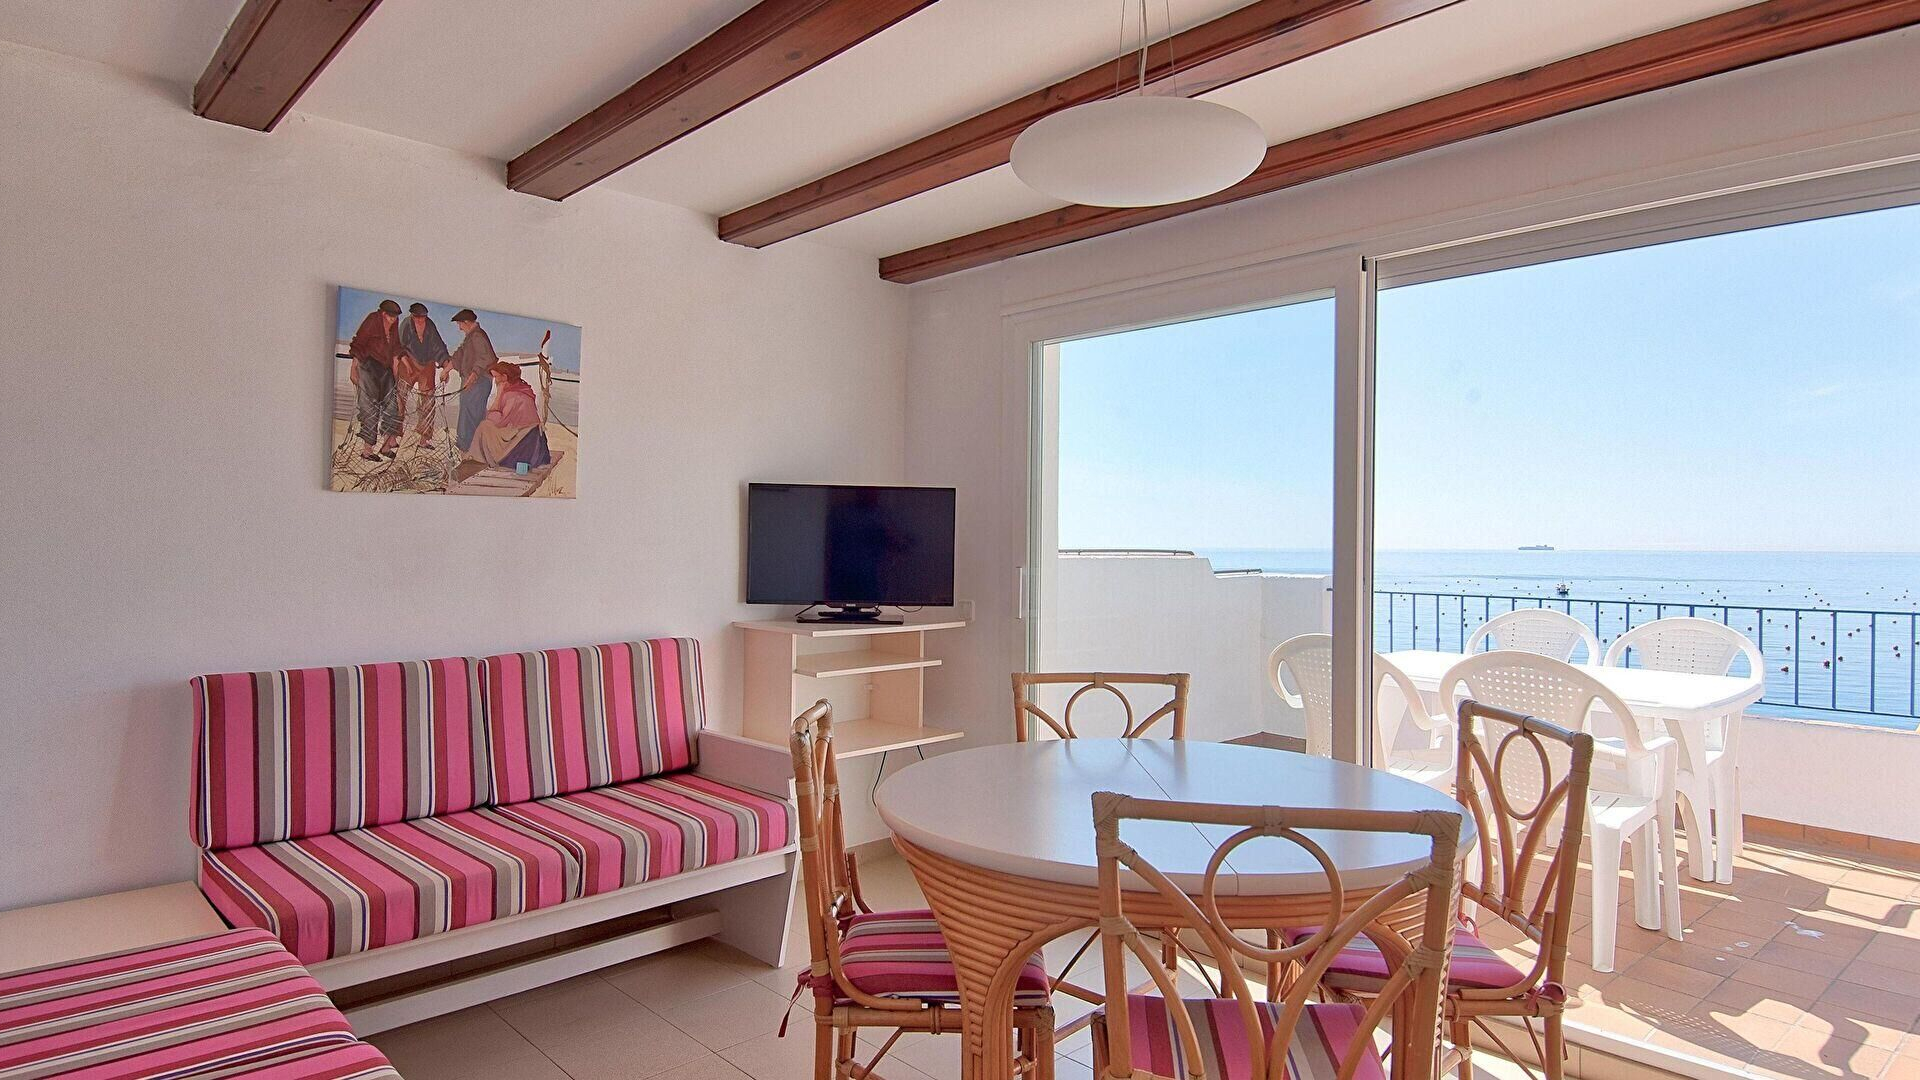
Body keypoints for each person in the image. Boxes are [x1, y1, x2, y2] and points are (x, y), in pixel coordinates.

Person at [456, 361, 551, 481]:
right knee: (486, 426)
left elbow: (497, 421)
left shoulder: (513, 395)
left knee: (485, 426)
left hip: (523, 438)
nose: (495, 381)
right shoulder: (521, 389)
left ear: (504, 377)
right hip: (525, 434)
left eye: (496, 377)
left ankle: (476, 459)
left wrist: (499, 394)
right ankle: (475, 458)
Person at [347, 299, 404, 459]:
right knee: (369, 408)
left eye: (395, 317)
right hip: (368, 366)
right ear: (383, 314)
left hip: (385, 369)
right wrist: (354, 368)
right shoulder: (372, 319)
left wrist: (396, 376)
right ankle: (367, 451)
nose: (393, 320)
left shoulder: (394, 324)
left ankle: (386, 447)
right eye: (390, 316)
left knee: (392, 407)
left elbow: (396, 349)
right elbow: (358, 344)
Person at [445, 309, 498, 453]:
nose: (459, 328)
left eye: (460, 324)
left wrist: (473, 376)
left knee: (473, 414)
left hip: (479, 382)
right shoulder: (471, 336)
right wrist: (446, 370)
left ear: (467, 322)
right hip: (471, 381)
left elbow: (485, 359)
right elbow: (459, 354)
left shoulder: (478, 336)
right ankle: (465, 446)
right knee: (466, 412)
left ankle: (471, 448)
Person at [396, 302, 449, 443]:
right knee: (400, 397)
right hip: (408, 363)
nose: (420, 320)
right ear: (412, 316)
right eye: (417, 317)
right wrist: (407, 364)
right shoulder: (406, 324)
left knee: (428, 401)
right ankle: (394, 435)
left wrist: (445, 366)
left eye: (423, 317)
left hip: (427, 365)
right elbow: (399, 347)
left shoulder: (430, 325)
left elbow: (438, 346)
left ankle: (424, 439)